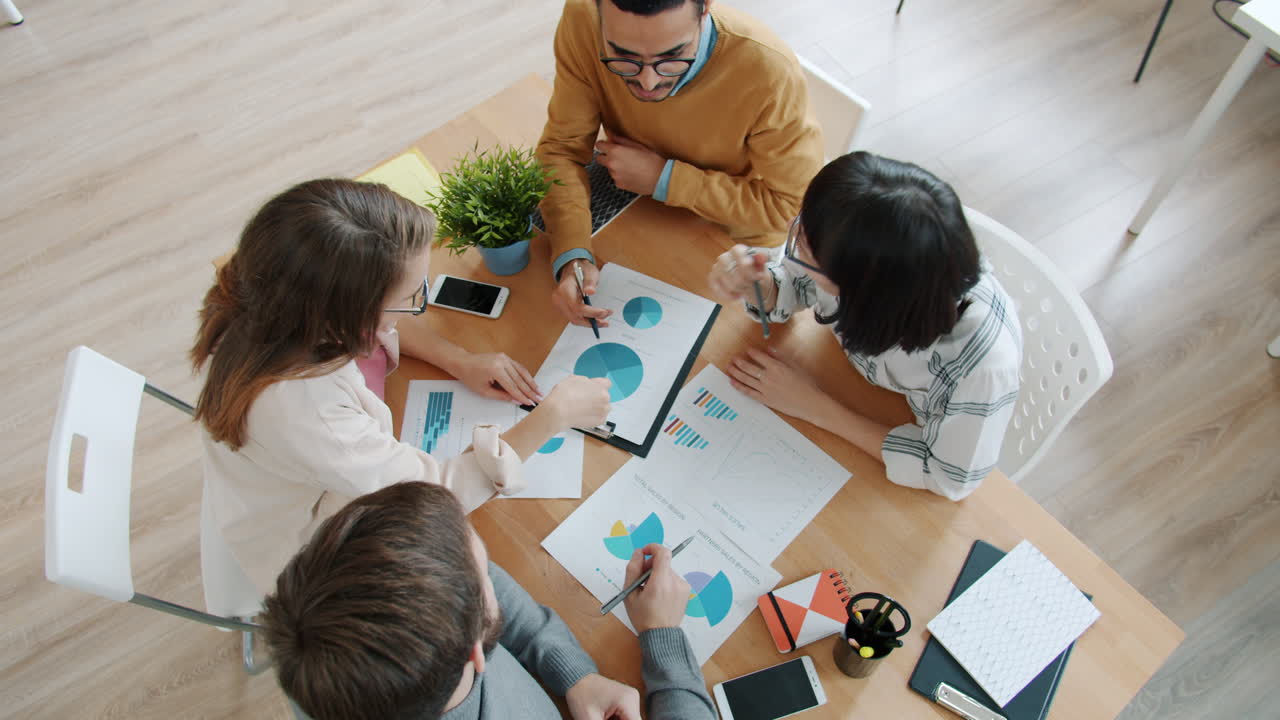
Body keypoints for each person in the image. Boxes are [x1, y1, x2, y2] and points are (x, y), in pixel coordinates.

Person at [192, 179, 613, 596]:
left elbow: (383, 323)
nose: (417, 307)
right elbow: (432, 496)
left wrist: (458, 360)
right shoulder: (307, 410)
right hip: (317, 556)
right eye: (410, 297)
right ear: (348, 314)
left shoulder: (276, 298)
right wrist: (551, 418)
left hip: (291, 482)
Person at [707, 152, 1023, 501]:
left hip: (922, 424)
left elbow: (948, 476)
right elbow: (796, 281)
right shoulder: (856, 230)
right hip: (862, 382)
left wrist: (815, 407)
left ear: (862, 295)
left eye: (807, 250)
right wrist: (762, 284)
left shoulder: (981, 367)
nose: (793, 244)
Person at [261, 481, 717, 720]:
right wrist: (663, 638)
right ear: (479, 650)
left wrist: (575, 676)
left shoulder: (323, 668)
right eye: (486, 575)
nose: (493, 576)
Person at [537, 0, 823, 328]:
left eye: (672, 57)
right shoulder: (582, 17)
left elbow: (793, 209)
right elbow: (561, 149)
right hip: (634, 204)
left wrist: (665, 179)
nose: (647, 83)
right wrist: (571, 251)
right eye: (624, 56)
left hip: (732, 243)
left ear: (705, 10)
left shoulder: (769, 70)